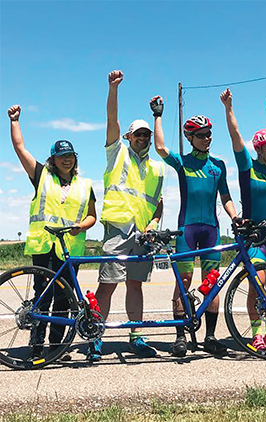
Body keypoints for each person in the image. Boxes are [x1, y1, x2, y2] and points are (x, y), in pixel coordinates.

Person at [8, 104, 96, 361]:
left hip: (71, 247)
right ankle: (37, 345)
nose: (66, 159)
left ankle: (58, 346)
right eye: (61, 156)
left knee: (65, 299)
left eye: (70, 155)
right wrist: (15, 122)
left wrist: (84, 226)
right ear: (53, 160)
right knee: (42, 296)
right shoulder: (41, 175)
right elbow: (20, 149)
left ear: (75, 158)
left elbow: (92, 215)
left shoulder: (85, 185)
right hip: (44, 246)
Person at [153, 97, 238, 357]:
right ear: (190, 138)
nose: (207, 138)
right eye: (201, 135)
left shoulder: (218, 166)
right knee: (184, 281)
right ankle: (180, 337)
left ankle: (210, 337)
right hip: (187, 229)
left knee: (212, 284)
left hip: (211, 229)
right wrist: (158, 115)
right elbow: (160, 148)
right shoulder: (182, 163)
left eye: (209, 134)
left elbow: (225, 197)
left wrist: (235, 218)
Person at [91, 70, 165, 360]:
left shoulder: (156, 168)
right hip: (117, 231)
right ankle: (96, 334)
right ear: (128, 136)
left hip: (142, 236)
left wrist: (155, 223)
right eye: (138, 134)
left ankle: (136, 335)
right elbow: (112, 120)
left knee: (135, 285)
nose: (143, 138)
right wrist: (113, 89)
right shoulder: (116, 152)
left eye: (147, 134)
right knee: (107, 285)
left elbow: (157, 204)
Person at [221, 88, 266, 351]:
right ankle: (255, 334)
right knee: (257, 282)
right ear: (259, 150)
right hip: (255, 234)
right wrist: (229, 108)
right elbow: (236, 138)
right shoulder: (247, 168)